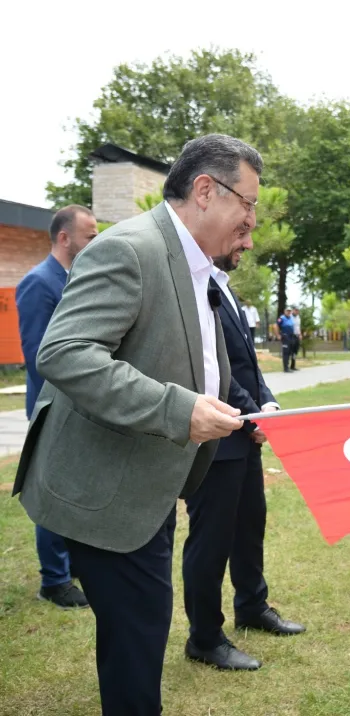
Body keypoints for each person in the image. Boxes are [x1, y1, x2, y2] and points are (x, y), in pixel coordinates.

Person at [12, 133, 255, 714]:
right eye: (247, 203)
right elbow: (65, 352)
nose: (252, 220)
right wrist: (179, 409)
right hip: (104, 490)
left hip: (150, 480)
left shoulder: (196, 265)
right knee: (138, 637)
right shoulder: (130, 249)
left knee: (141, 628)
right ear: (205, 190)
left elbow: (185, 356)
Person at [182, 244, 305, 673]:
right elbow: (210, 367)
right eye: (238, 233)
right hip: (216, 435)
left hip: (245, 431)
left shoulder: (224, 287)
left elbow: (245, 363)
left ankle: (252, 605)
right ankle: (204, 637)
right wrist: (251, 413)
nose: (245, 243)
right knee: (210, 541)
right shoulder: (194, 289)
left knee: (250, 524)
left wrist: (266, 404)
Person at [14, 204, 98, 609]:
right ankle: (54, 579)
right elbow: (39, 357)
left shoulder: (75, 280)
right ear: (65, 238)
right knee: (52, 492)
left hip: (79, 407)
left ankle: (74, 564)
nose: (95, 242)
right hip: (52, 408)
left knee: (77, 490)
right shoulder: (38, 283)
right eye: (90, 236)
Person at [277, 307, 296, 372]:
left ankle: (289, 366)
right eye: (287, 311)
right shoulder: (282, 318)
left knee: (290, 352)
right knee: (286, 352)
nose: (288, 312)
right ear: (285, 311)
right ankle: (285, 368)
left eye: (289, 311)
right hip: (285, 336)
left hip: (291, 336)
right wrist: (278, 335)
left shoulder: (291, 318)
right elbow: (276, 326)